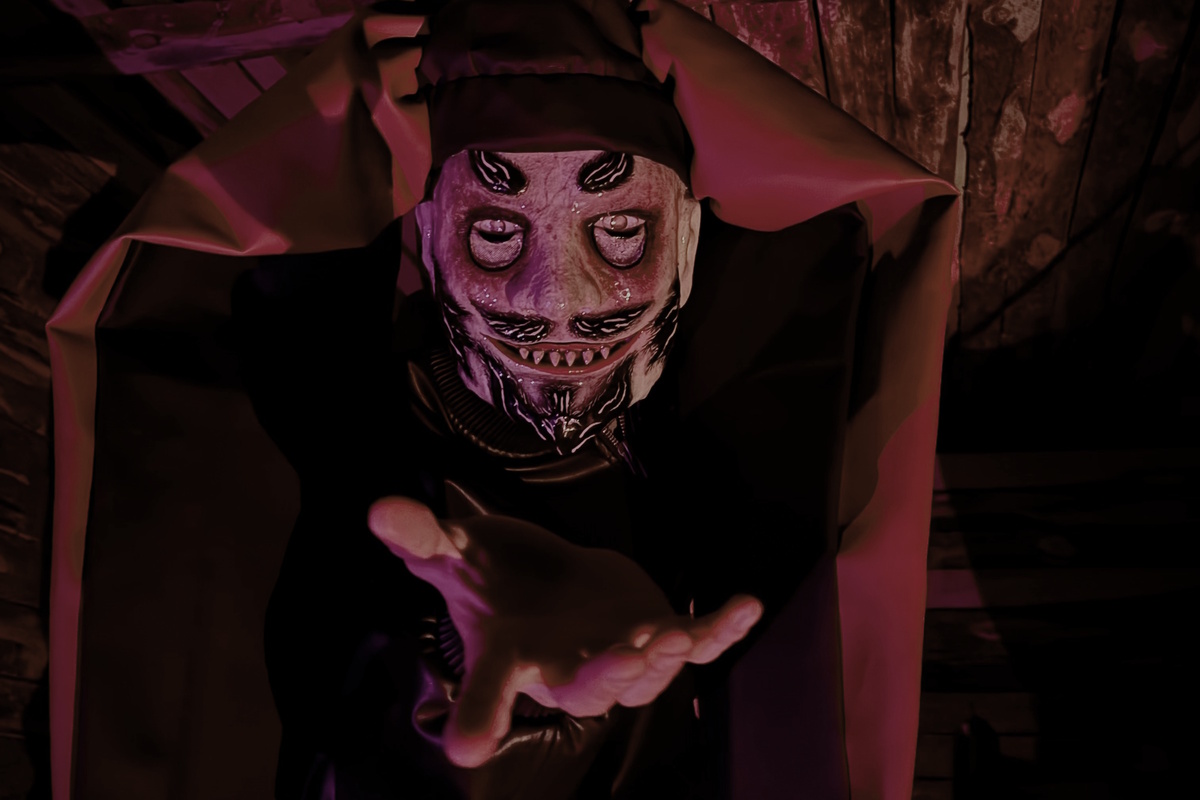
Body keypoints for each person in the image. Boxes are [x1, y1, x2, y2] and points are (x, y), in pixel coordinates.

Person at [45, 1, 960, 798]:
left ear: (687, 238)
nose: (555, 297)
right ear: (432, 239)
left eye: (619, 228)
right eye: (493, 232)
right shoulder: (347, 446)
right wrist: (484, 689)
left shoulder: (724, 447)